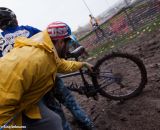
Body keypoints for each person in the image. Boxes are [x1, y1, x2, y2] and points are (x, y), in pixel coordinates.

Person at [0, 7, 95, 130]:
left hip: (25, 85)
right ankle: (87, 124)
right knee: (68, 102)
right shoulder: (28, 30)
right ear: (13, 19)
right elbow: (51, 42)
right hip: (37, 76)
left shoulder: (1, 41)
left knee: (54, 113)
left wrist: (81, 64)